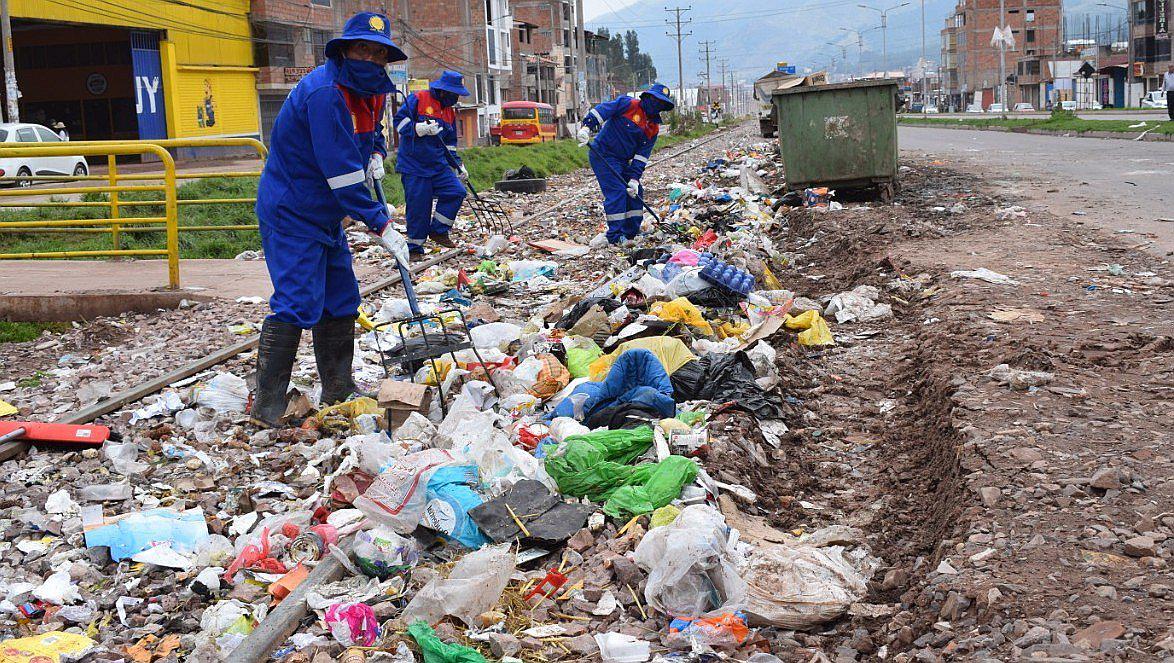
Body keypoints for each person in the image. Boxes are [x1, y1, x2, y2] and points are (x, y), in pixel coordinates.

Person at [251, 11, 410, 427]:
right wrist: (381, 223)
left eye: (379, 53)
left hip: (327, 215)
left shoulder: (372, 89)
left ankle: (337, 388)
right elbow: (341, 174)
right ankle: (267, 404)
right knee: (298, 301)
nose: (371, 59)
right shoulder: (325, 94)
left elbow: (370, 132)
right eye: (363, 49)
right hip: (293, 209)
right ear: (343, 51)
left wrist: (376, 152)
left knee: (341, 299)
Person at [577, 82, 675, 245]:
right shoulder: (627, 104)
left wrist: (634, 179)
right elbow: (602, 111)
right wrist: (587, 127)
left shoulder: (653, 128)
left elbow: (641, 156)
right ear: (647, 97)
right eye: (655, 100)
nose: (656, 105)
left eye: (661, 103)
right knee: (617, 191)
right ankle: (615, 237)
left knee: (635, 193)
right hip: (603, 154)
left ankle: (630, 233)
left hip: (622, 160)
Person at [393, 70, 470, 256]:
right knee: (419, 207)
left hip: (438, 165)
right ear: (444, 91)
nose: (456, 98)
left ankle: (438, 230)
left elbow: (450, 144)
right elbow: (399, 122)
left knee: (456, 192)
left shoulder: (449, 112)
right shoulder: (419, 98)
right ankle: (415, 248)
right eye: (454, 94)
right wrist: (417, 128)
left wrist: (459, 166)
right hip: (414, 165)